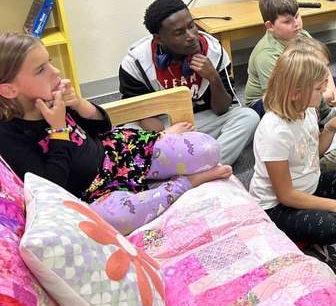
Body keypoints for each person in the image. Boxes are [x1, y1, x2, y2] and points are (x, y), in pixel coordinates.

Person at [0, 32, 232, 235]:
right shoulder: (8, 134)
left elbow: (104, 128)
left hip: (116, 152)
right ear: (9, 90)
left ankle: (161, 140)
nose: (56, 72)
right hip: (91, 190)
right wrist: (59, 130)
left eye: (49, 62)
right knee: (114, 220)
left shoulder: (54, 95)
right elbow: (51, 186)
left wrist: (79, 103)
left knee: (208, 150)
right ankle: (185, 183)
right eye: (41, 70)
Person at [249, 48, 336, 275]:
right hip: (277, 207)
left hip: (310, 184)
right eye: (319, 89)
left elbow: (315, 152)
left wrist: (329, 128)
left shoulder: (308, 109)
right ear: (295, 93)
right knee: (332, 225)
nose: (325, 93)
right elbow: (285, 195)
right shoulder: (275, 132)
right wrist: (335, 205)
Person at [119, 0, 259, 165]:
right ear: (159, 39)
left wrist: (213, 77)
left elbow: (222, 110)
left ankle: (203, 166)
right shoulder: (137, 63)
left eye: (191, 26)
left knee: (248, 117)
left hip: (202, 120)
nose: (191, 36)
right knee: (126, 134)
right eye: (179, 33)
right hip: (164, 126)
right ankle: (200, 166)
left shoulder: (214, 52)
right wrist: (168, 138)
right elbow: (140, 113)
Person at [244, 0, 336, 171]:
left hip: (308, 86)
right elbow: (278, 96)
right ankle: (334, 148)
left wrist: (330, 91)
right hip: (271, 100)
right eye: (288, 21)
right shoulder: (267, 55)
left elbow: (323, 68)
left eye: (297, 16)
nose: (296, 24)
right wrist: (323, 97)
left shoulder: (302, 35)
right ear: (270, 26)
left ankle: (333, 139)